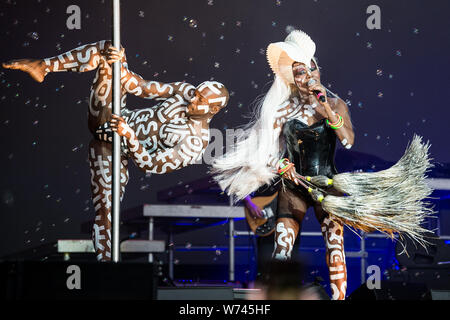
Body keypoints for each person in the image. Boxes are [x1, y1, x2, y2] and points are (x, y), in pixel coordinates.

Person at [3, 40, 229, 261]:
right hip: (108, 116)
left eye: (201, 99)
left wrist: (129, 136)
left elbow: (150, 164)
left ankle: (106, 269)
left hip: (113, 150)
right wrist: (119, 66)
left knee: (106, 212)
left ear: (214, 109)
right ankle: (44, 66)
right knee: (109, 50)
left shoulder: (196, 141)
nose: (193, 100)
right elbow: (139, 86)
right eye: (197, 93)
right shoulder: (185, 92)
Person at [212, 30, 353, 300]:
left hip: (328, 185)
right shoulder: (281, 110)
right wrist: (281, 164)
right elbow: (266, 151)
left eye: (311, 69)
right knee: (282, 248)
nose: (307, 76)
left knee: (335, 247)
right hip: (294, 188)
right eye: (299, 72)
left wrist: (327, 111)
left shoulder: (335, 104)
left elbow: (347, 141)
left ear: (318, 71)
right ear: (291, 78)